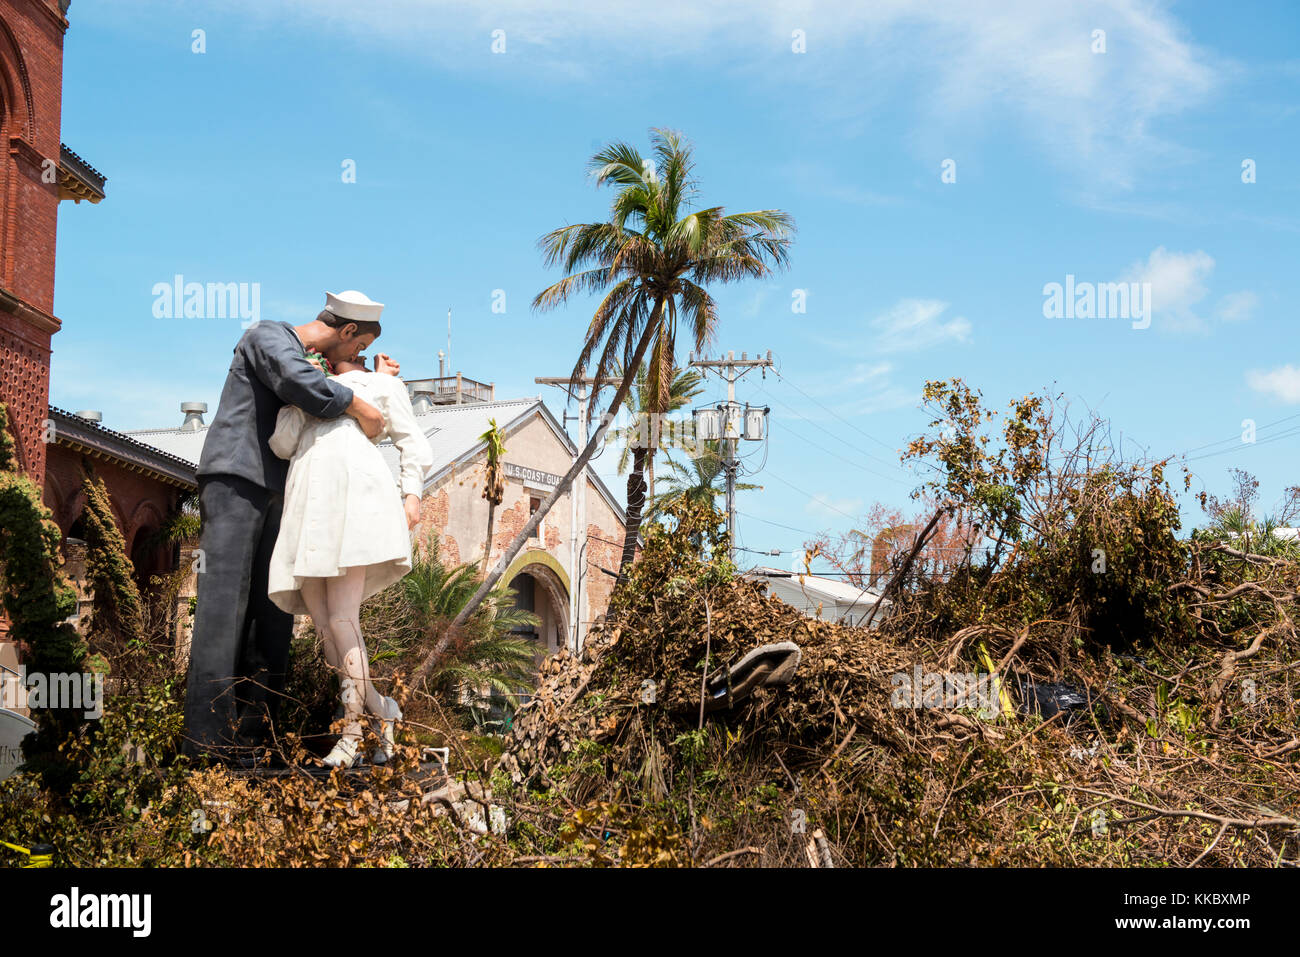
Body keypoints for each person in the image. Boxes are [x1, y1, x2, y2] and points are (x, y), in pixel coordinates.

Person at [182, 290, 397, 767]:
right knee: (223, 612)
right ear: (344, 331)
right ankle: (207, 745)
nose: (356, 358)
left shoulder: (310, 360)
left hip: (281, 492)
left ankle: (256, 738)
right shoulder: (268, 336)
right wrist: (362, 407)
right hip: (237, 481)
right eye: (357, 346)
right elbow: (297, 382)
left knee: (271, 615)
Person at [267, 352, 433, 768]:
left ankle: (351, 733)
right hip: (307, 508)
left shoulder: (380, 385)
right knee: (325, 632)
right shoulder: (306, 389)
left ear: (354, 347)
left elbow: (410, 439)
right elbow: (282, 443)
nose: (323, 353)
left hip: (354, 507)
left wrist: (411, 492)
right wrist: (295, 392)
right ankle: (384, 711)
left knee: (344, 620)